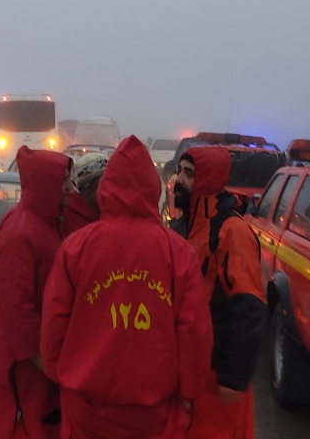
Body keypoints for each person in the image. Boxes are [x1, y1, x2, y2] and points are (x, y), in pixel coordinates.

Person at [40, 136, 212, 439]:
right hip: (152, 415)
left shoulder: (76, 248)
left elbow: (55, 321)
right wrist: (190, 391)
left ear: (107, 187)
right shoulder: (177, 252)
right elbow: (193, 329)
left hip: (85, 410)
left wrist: (59, 373)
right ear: (153, 188)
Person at [0, 145, 74, 439]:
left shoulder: (43, 223)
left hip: (41, 367)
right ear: (46, 182)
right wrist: (55, 371)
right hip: (24, 375)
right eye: (63, 180)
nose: (69, 187)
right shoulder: (20, 233)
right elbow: (19, 316)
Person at [170, 147, 265, 439]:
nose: (179, 180)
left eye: (190, 174)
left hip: (217, 378)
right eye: (180, 171)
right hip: (185, 374)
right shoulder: (179, 228)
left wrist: (233, 378)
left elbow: (249, 308)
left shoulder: (231, 231)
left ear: (208, 179)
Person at [60, 152, 109, 238]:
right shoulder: (69, 220)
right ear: (88, 187)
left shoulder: (106, 211)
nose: (109, 190)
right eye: (103, 185)